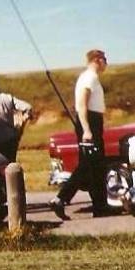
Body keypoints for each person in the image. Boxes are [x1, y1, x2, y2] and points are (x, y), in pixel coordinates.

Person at [49, 49, 110, 219]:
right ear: (97, 60)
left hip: (94, 121)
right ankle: (60, 198)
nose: (106, 63)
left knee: (97, 166)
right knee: (87, 165)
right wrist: (87, 129)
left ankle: (100, 205)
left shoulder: (92, 78)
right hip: (89, 122)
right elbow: (82, 105)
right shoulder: (89, 78)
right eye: (104, 59)